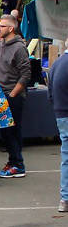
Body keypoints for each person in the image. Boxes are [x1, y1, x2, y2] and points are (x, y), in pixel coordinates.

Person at [0, 13, 31, 178]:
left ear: (11, 28)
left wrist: (12, 95)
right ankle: (13, 161)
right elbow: (1, 68)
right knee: (5, 132)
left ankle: (18, 165)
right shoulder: (0, 45)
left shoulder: (20, 48)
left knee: (12, 130)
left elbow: (26, 75)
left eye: (2, 25)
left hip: (12, 95)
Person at [49, 38, 68, 212]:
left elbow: (50, 92)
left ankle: (65, 198)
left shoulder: (56, 64)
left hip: (60, 113)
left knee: (66, 158)